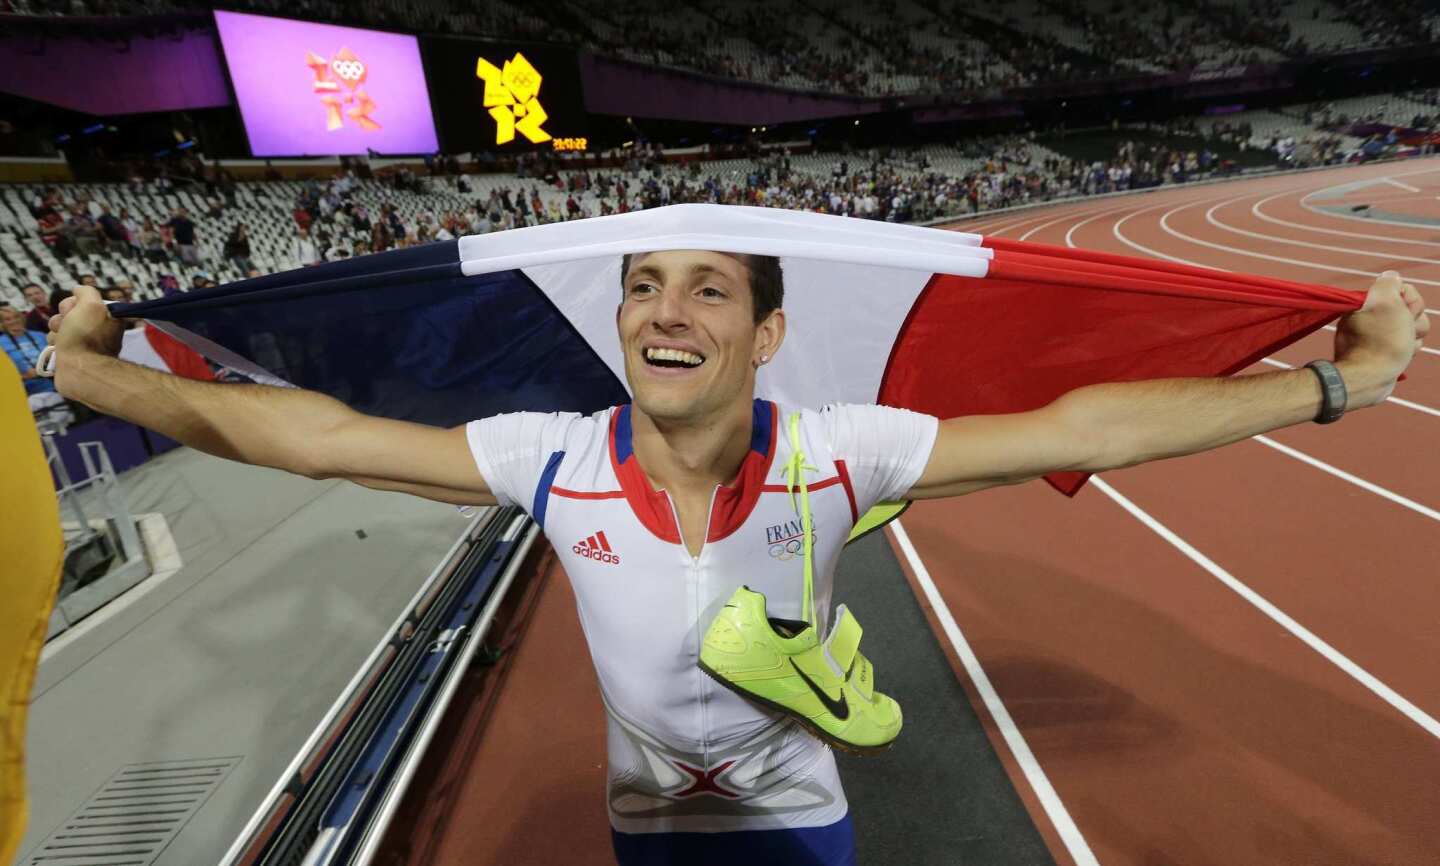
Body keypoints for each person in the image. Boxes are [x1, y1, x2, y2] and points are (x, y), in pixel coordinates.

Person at [39, 254, 1429, 865]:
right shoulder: (551, 454)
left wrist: (1332, 389)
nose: (665, 306)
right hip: (647, 830)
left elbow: (1087, 423)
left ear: (764, 335)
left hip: (801, 827)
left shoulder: (842, 447)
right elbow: (321, 437)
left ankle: (819, 665)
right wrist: (107, 384)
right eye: (643, 283)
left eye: (709, 286)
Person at [1, 306, 55, 398]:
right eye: (7, 319)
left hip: (56, 378)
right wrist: (24, 376)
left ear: (22, 318)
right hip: (31, 389)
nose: (14, 321)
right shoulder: (1, 344)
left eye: (16, 317)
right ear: (2, 323)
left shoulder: (40, 335)